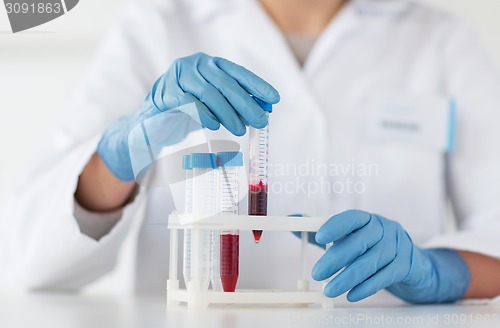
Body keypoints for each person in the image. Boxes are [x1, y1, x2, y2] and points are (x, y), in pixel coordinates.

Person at [4, 0, 500, 303]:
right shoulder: (156, 25)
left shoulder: (440, 40)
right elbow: (37, 260)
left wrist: (440, 273)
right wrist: (121, 152)